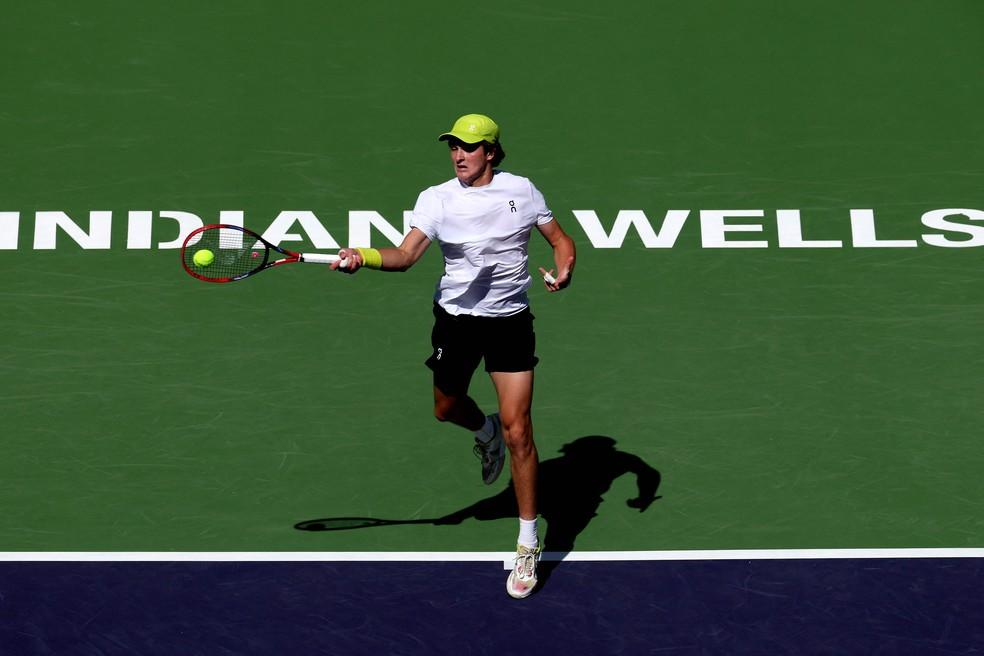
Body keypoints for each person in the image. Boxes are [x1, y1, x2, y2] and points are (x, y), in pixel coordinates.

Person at [332, 113, 575, 599]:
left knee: (520, 431)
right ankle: (483, 432)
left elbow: (560, 240)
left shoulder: (522, 191)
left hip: (510, 322)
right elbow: (405, 255)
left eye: (468, 147)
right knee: (446, 408)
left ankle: (528, 543)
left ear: (491, 152)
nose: (458, 155)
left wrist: (564, 268)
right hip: (457, 321)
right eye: (453, 147)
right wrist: (364, 254)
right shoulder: (436, 199)